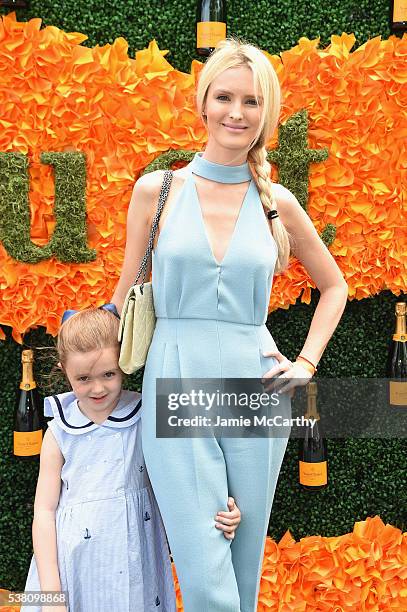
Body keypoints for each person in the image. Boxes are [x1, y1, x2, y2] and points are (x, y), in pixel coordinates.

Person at [111, 37, 348, 612]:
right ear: (203, 104)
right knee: (204, 563)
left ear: (266, 114)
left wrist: (306, 363)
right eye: (224, 97)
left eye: (250, 101)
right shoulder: (158, 191)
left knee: (243, 562)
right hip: (176, 376)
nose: (236, 113)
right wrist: (92, 370)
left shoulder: (279, 204)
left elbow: (334, 286)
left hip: (256, 386)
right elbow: (123, 296)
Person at [21, 306, 242, 612]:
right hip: (71, 567)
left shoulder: (147, 415)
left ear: (124, 364)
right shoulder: (59, 431)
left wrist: (220, 507)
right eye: (83, 378)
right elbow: (44, 511)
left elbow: (192, 471)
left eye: (108, 374)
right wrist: (51, 594)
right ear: (63, 369)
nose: (98, 388)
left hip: (136, 559)